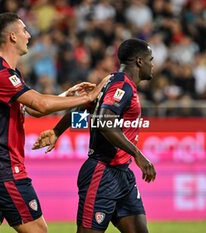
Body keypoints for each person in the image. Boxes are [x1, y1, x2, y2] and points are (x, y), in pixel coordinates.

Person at [0, 12, 110, 233]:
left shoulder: (5, 72)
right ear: (13, 36)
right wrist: (88, 98)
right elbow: (41, 104)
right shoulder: (1, 74)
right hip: (3, 167)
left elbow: (33, 109)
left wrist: (65, 95)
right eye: (24, 30)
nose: (29, 35)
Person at [33, 38, 157, 233]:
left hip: (122, 175)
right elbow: (104, 123)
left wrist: (58, 131)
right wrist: (137, 154)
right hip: (102, 173)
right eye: (150, 59)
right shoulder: (121, 85)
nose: (153, 64)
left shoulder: (111, 82)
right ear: (140, 62)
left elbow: (87, 111)